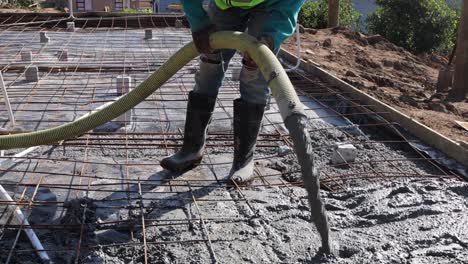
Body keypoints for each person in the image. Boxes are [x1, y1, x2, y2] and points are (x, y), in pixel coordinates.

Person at [161, 0, 305, 184]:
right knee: (210, 62)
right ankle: (191, 149)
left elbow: (290, 4)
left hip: (270, 5)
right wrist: (199, 23)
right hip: (224, 5)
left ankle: (243, 161)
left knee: (255, 71)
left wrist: (271, 38)